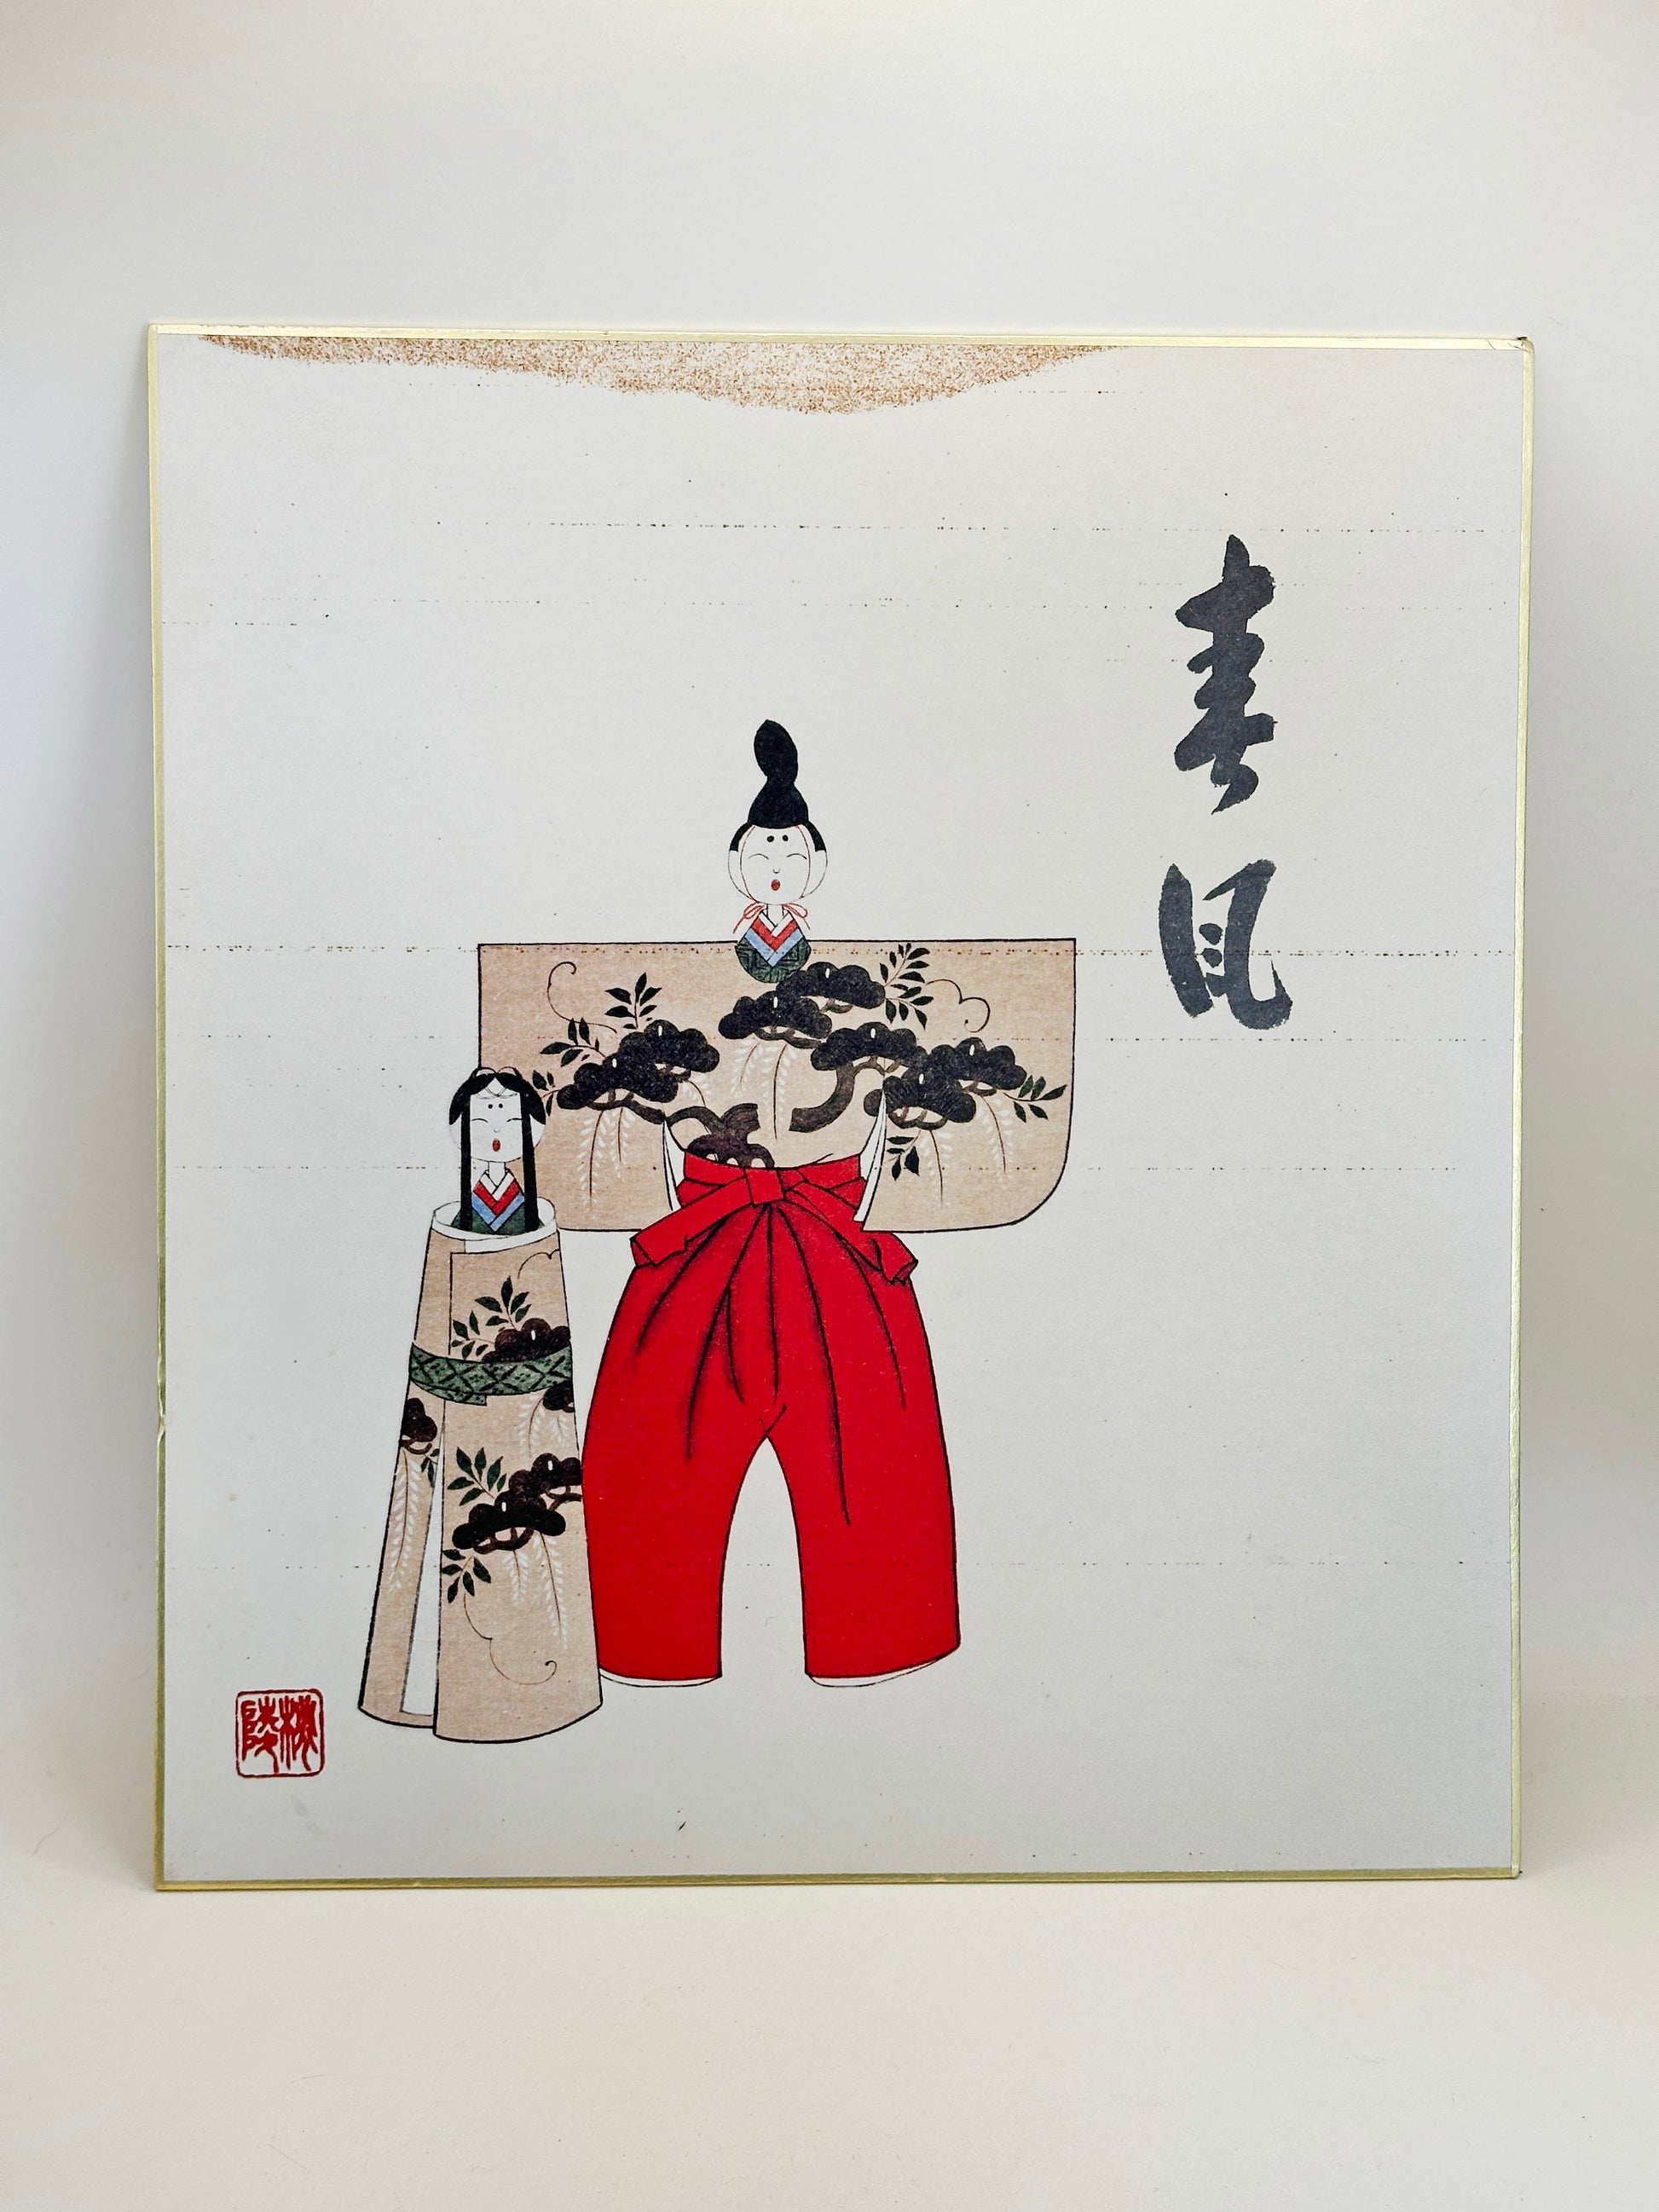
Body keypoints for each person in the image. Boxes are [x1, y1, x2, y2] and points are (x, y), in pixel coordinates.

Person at [580, 724, 959, 1688]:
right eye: (762, 851)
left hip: (829, 1229)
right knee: (659, 1441)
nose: (777, 864)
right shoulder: (695, 983)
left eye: (792, 851)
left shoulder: (854, 991)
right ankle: (642, 1645)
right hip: (710, 1229)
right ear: (737, 864)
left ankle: (881, 1638)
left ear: (816, 864)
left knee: (868, 1441)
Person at [728, 720, 828, 982]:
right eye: (760, 860)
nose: (775, 868)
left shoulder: (801, 934)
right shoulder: (749, 933)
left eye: (792, 860)